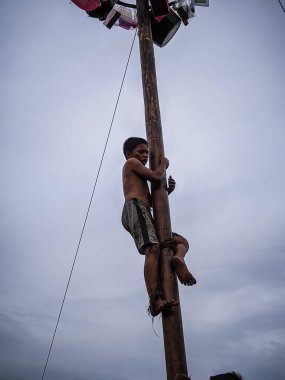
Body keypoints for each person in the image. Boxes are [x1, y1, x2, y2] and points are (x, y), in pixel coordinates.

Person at [121, 137, 196, 317]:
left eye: (147, 152)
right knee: (153, 249)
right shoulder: (131, 164)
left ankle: (178, 258)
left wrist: (167, 191)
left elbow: (154, 202)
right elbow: (155, 176)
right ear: (128, 154)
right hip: (135, 207)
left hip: (144, 208)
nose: (145, 155)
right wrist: (164, 164)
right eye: (141, 151)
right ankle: (154, 300)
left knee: (180, 241)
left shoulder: (139, 171)